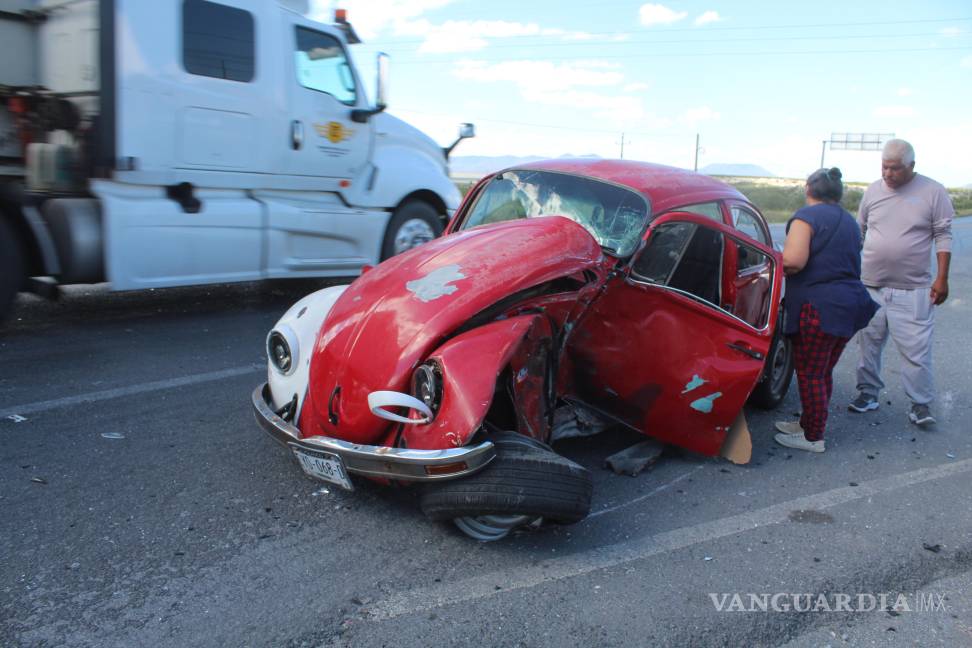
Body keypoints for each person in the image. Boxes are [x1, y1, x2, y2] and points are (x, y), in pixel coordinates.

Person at [849, 139, 953, 426]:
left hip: (913, 288)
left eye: (895, 168)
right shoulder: (873, 190)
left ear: (911, 166)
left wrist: (941, 278)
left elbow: (943, 235)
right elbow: (860, 230)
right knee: (868, 344)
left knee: (916, 351)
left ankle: (920, 405)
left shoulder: (933, 191)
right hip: (871, 285)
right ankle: (867, 394)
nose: (888, 174)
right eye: (884, 167)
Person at [774, 168, 879, 453]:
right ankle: (808, 424)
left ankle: (813, 437)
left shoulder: (805, 217)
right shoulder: (847, 220)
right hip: (849, 305)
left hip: (819, 307)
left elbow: (794, 261)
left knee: (809, 373)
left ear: (808, 189)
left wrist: (772, 261)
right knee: (822, 371)